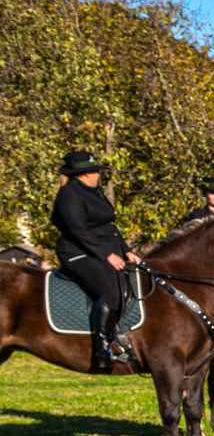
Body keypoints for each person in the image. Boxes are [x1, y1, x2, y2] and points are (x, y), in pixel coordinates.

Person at [50, 149, 136, 372]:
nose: (99, 174)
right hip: (77, 252)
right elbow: (77, 230)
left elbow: (109, 226)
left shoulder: (95, 192)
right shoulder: (69, 194)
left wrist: (126, 251)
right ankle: (103, 348)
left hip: (101, 250)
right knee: (110, 291)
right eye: (96, 171)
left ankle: (119, 334)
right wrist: (107, 255)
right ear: (86, 173)